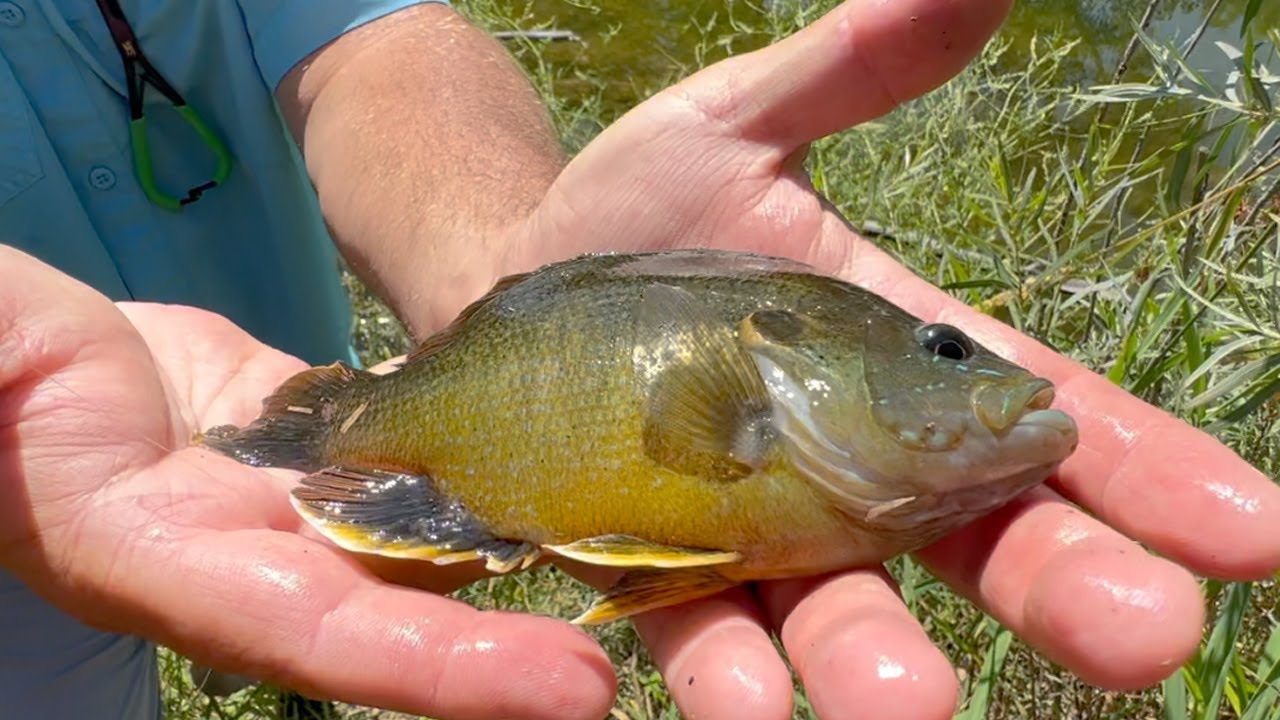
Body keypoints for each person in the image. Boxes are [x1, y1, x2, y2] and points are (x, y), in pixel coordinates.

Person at [1, 0, 1277, 718]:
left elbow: (363, 39)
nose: (964, 366)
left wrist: (494, 241)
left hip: (239, 431)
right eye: (937, 352)